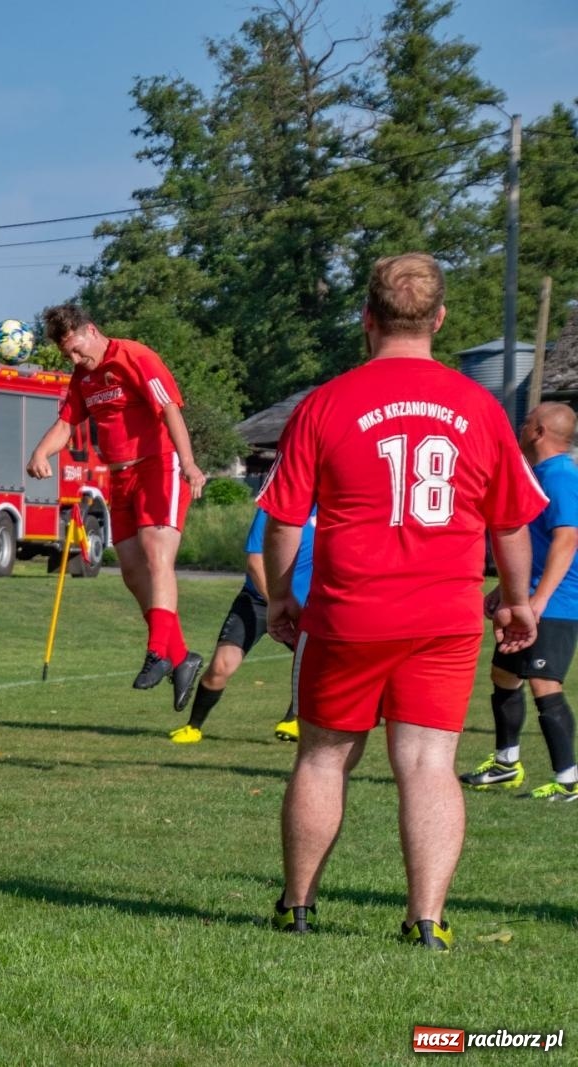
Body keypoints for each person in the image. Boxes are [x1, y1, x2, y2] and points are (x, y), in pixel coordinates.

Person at [258, 252, 547, 950]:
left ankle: (298, 904)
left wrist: (277, 598)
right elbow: (509, 524)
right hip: (443, 618)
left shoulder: (325, 402)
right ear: (440, 319)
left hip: (347, 609)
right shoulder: (480, 406)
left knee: (324, 757)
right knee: (426, 762)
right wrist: (516, 602)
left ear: (367, 318)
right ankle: (426, 916)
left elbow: (285, 519)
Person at [26, 305, 209, 711]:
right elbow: (66, 423)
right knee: (130, 570)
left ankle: (158, 652)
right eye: (67, 355)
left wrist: (190, 464)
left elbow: (169, 409)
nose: (74, 360)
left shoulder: (135, 356)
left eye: (76, 349)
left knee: (155, 554)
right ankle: (181, 657)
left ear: (91, 330)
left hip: (160, 465)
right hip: (119, 476)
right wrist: (41, 452)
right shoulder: (83, 377)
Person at [460, 401, 578, 802]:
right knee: (504, 675)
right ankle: (506, 764)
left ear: (540, 431)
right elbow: (537, 545)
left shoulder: (560, 474)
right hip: (529, 599)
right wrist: (505, 592)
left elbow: (567, 538)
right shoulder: (539, 474)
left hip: (556, 603)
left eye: (527, 421)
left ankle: (568, 780)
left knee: (545, 682)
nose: (521, 426)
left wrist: (539, 601)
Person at [170, 507, 316, 745]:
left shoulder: (331, 506)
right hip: (258, 601)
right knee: (220, 667)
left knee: (314, 663)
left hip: (305, 605)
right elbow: (254, 563)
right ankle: (193, 727)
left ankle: (293, 719)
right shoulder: (272, 508)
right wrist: (276, 604)